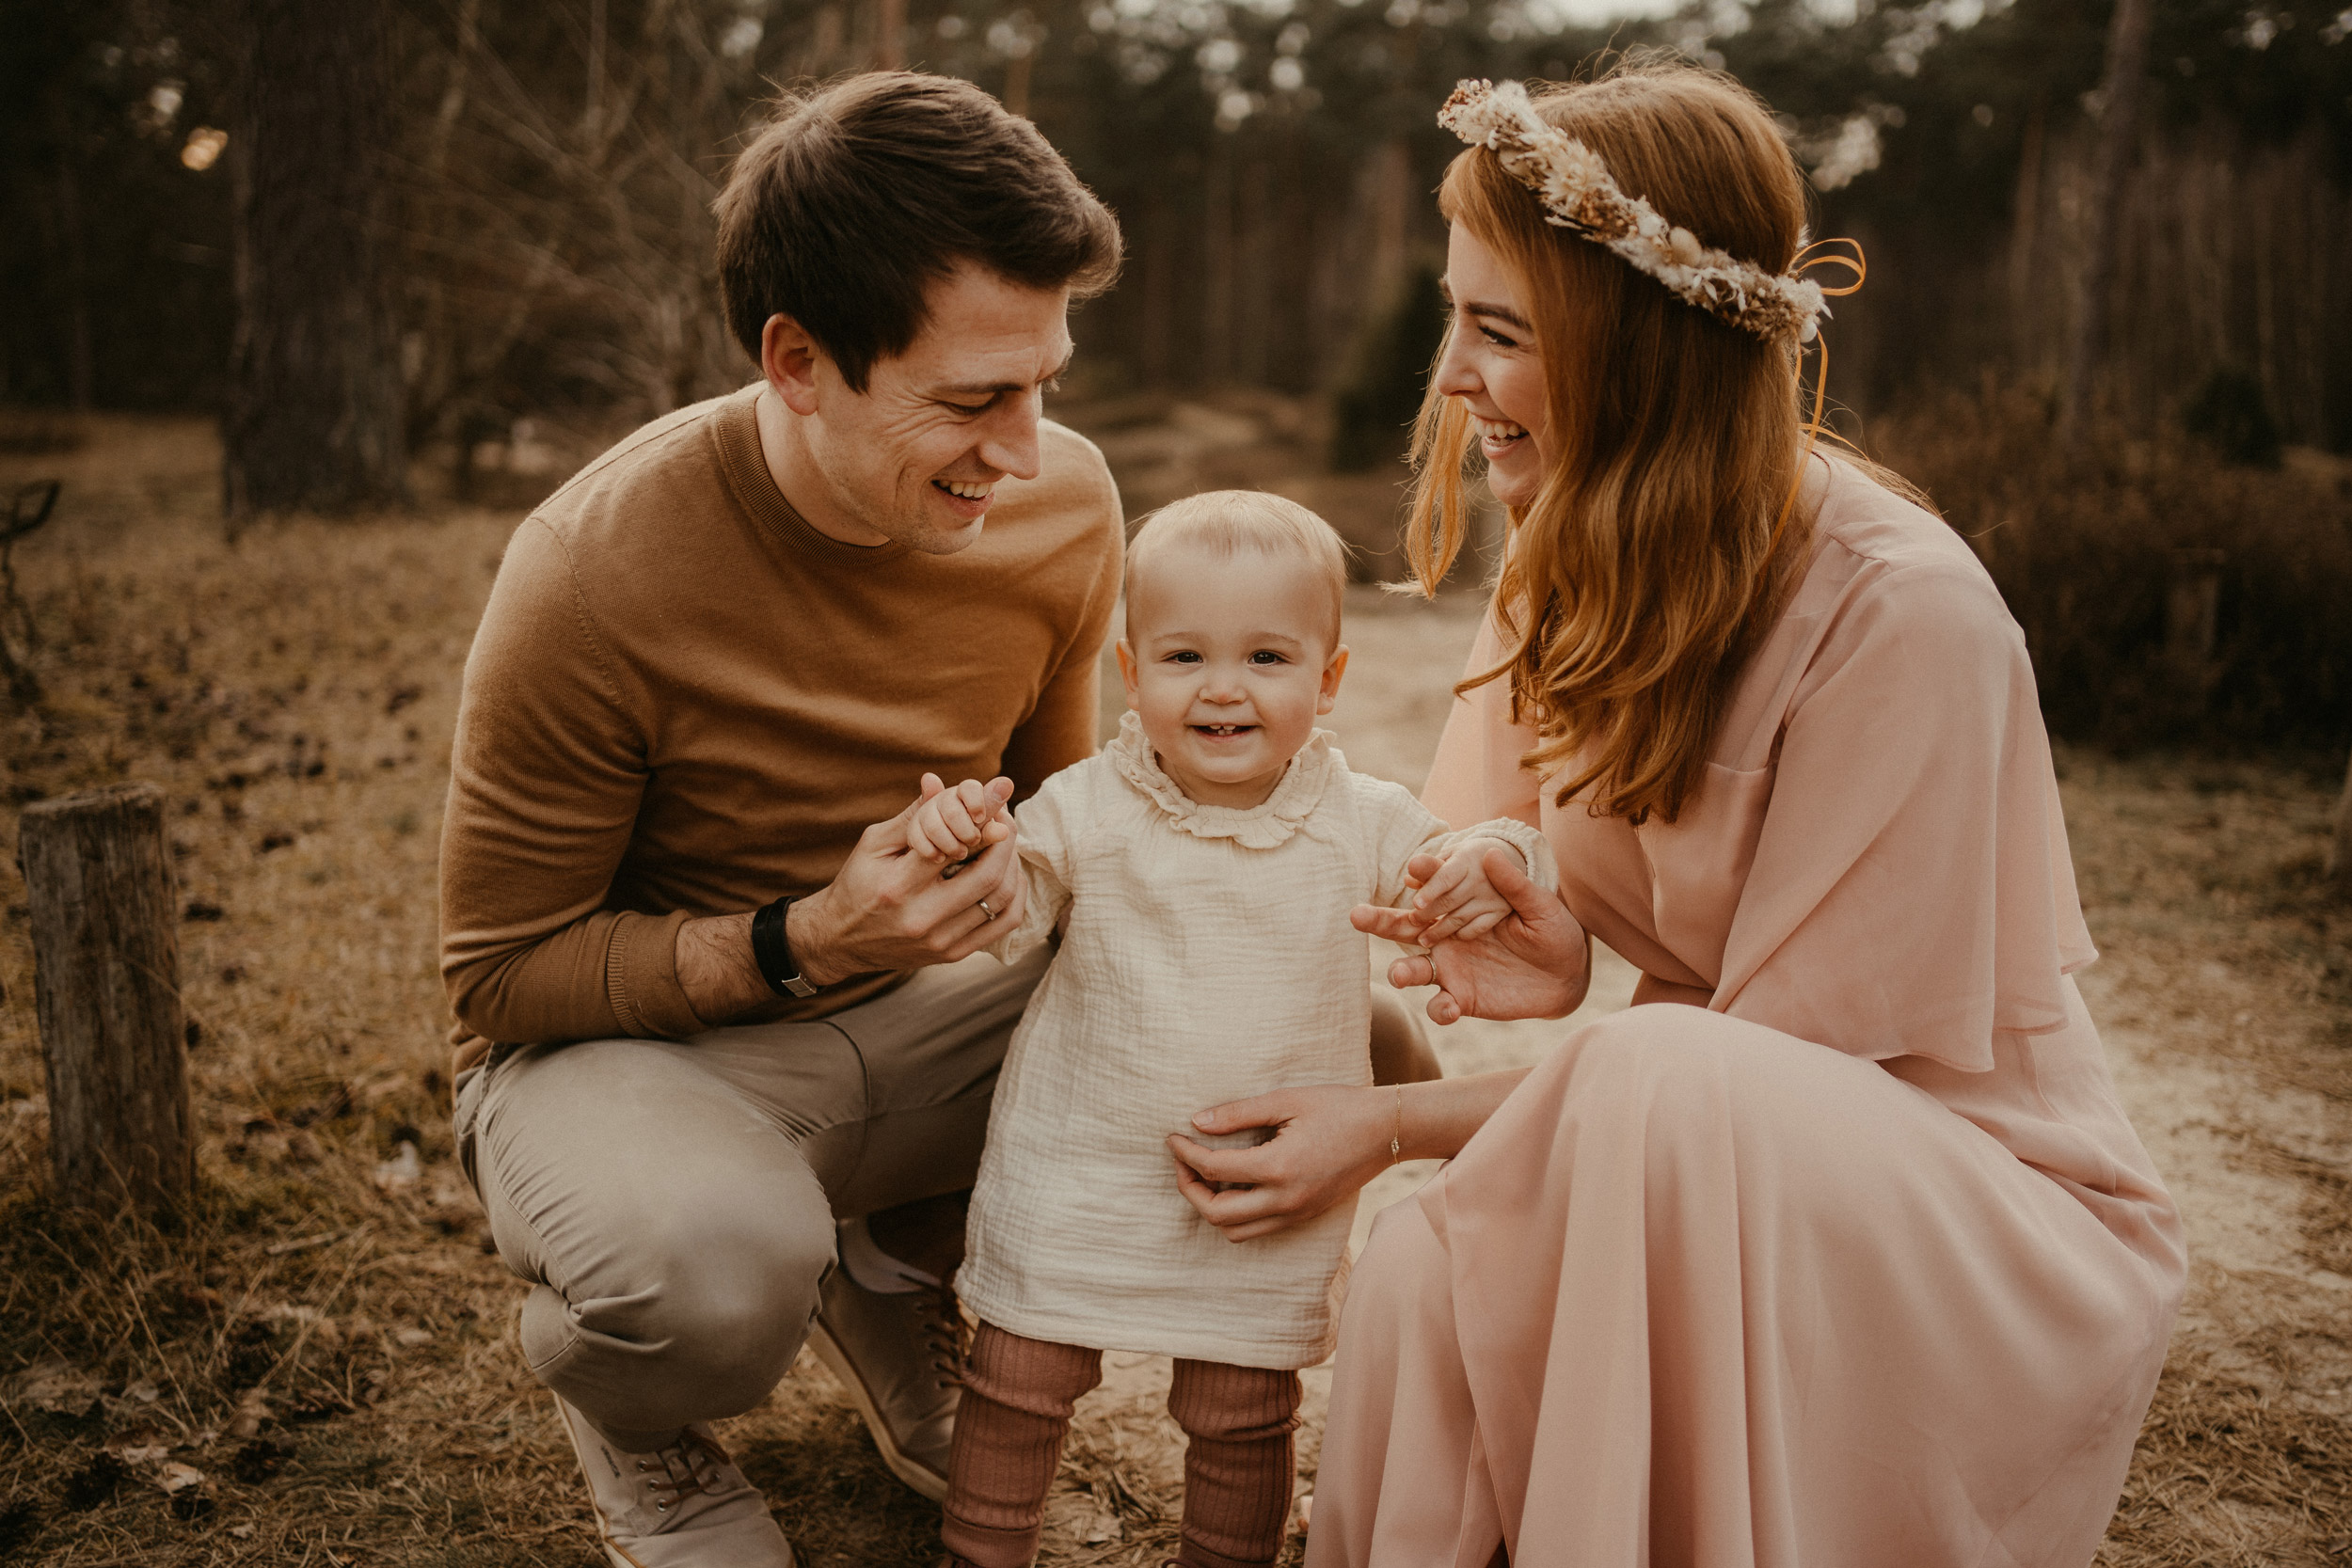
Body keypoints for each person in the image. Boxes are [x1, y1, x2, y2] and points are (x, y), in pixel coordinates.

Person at [1162, 62, 2188, 1568]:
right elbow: (1516, 855)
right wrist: (1532, 908)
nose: (1450, 374)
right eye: (1455, 315)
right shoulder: (1567, 550)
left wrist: (1386, 1122)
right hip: (1684, 1135)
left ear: (1641, 350)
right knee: (1418, 1279)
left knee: (1649, 1083)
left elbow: (1732, 1075)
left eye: (1500, 331)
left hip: (1972, 1213)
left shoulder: (1906, 617)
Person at [436, 72, 1127, 1568]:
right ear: (798, 359)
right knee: (709, 1278)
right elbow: (495, 981)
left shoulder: (1067, 507)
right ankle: (642, 1420)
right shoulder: (590, 572)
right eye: (970, 399)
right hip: (633, 1060)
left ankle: (892, 1273)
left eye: (1045, 384)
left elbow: (1074, 827)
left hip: (923, 1021)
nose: (1023, 453)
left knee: (1265, 1005)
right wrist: (802, 938)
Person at [900, 492, 1552, 1568]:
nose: (1221, 687)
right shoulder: (1089, 805)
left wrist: (1499, 865)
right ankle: (978, 1553)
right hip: (1080, 1158)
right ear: (1129, 667)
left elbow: (1466, 852)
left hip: (1260, 1174)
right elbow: (1001, 913)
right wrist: (962, 850)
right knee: (1017, 1380)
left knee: (1242, 1400)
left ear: (1329, 678)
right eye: (1183, 654)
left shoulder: (1356, 816)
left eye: (1265, 656)